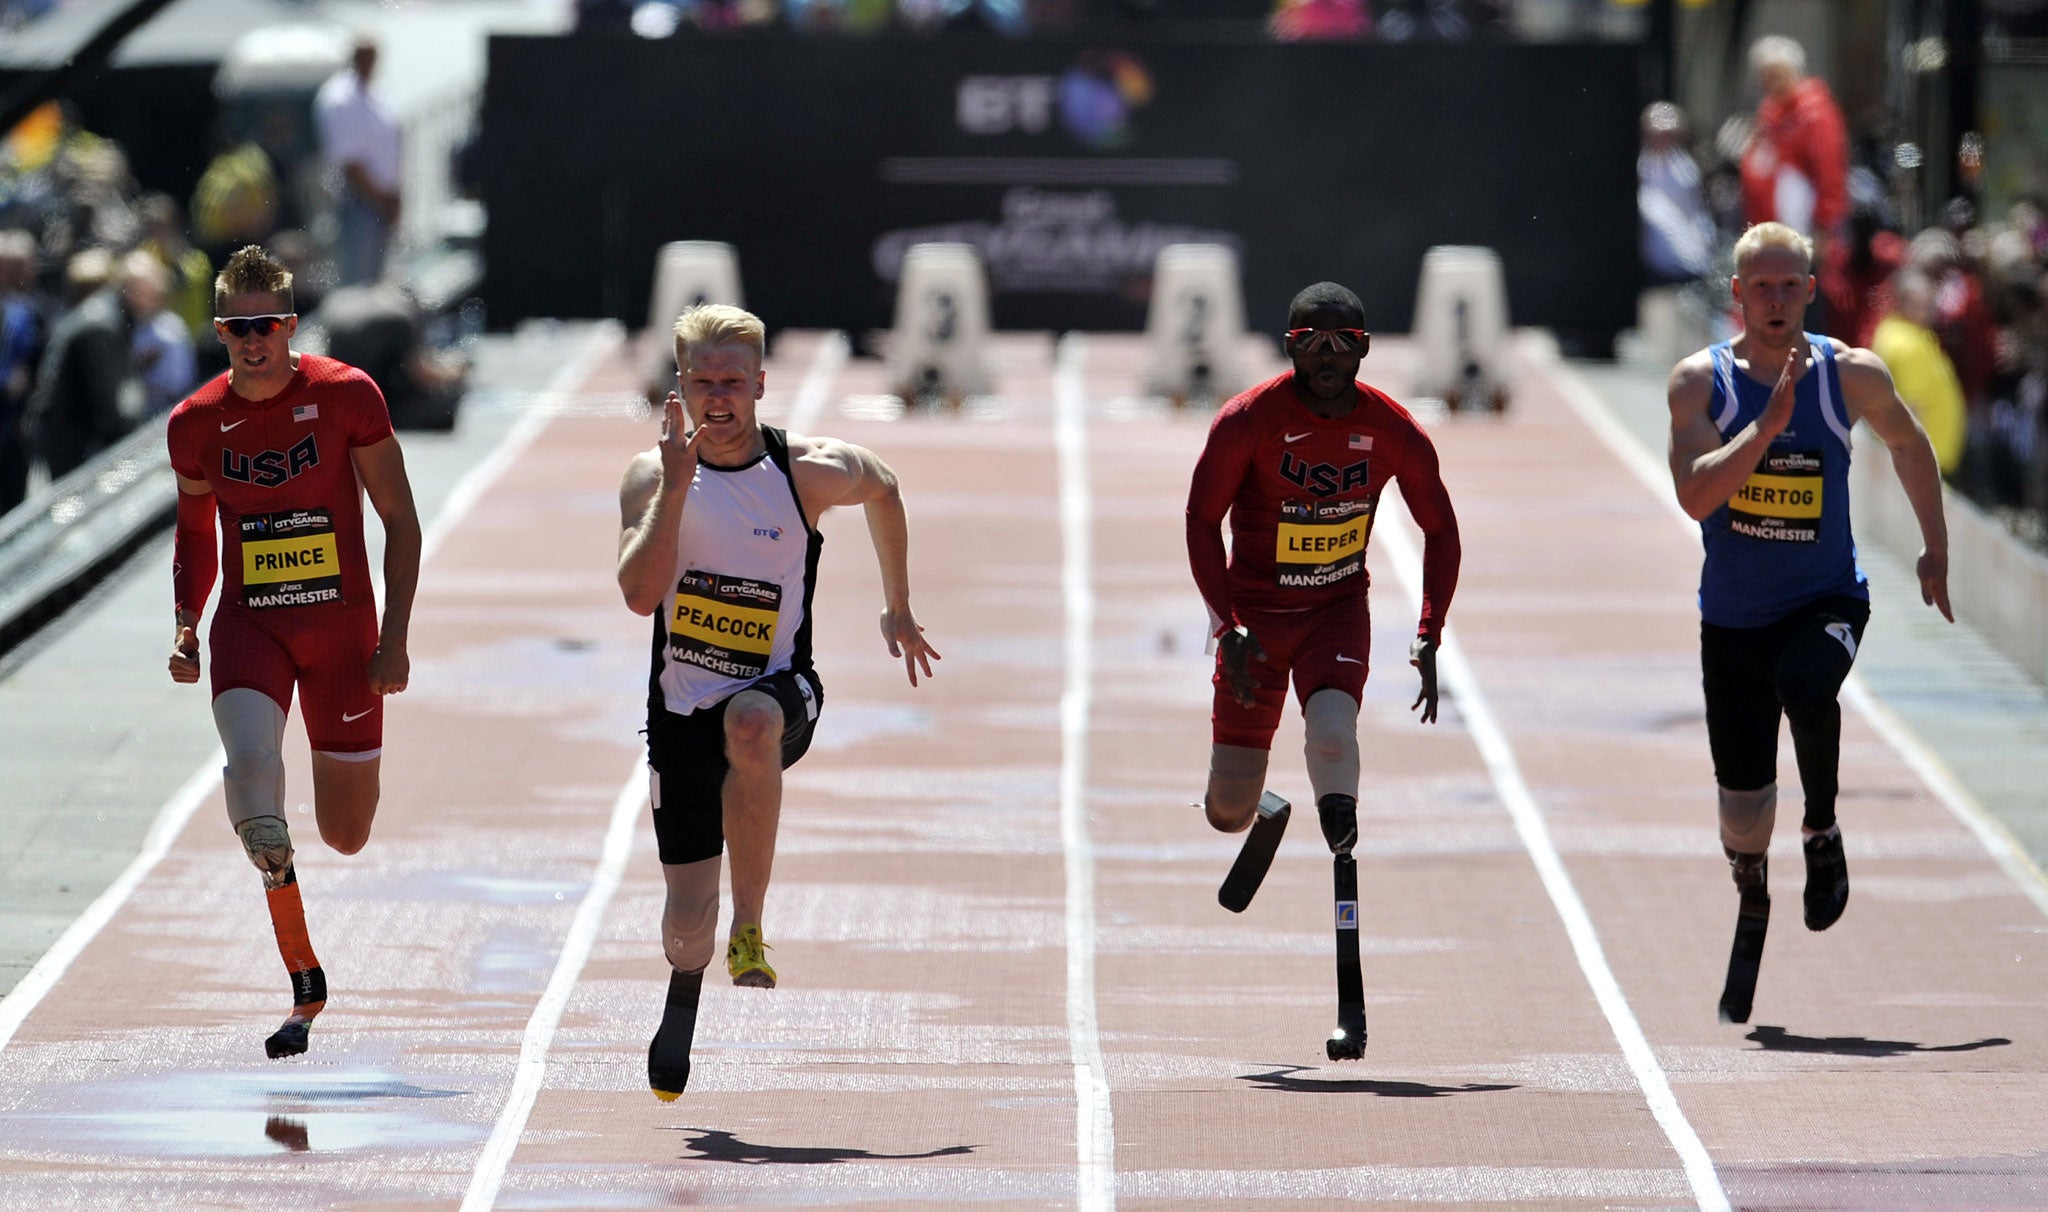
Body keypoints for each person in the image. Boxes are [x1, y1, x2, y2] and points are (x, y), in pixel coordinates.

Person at [615, 302, 939, 1100]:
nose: (717, 398)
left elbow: (885, 485)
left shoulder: (804, 471)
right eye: (702, 382)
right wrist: (680, 487)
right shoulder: (652, 479)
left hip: (781, 689)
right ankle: (688, 978)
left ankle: (750, 927)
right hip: (680, 713)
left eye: (733, 382)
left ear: (761, 384)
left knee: (752, 723)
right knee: (682, 923)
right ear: (679, 387)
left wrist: (897, 606)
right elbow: (637, 595)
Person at [1665, 221, 1951, 955]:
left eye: (1790, 285)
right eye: (1761, 286)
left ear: (1812, 292)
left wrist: (1935, 548)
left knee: (1806, 682)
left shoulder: (1851, 374)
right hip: (1732, 617)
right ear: (1736, 294)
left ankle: (1821, 830)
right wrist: (1764, 431)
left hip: (1825, 596)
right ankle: (1752, 869)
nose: (1776, 300)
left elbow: (1911, 442)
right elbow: (1696, 498)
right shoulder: (1700, 383)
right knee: (1741, 811)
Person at [165, 244, 422, 1059]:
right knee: (253, 788)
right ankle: (302, 972)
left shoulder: (348, 396)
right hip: (252, 628)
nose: (253, 340)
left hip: (344, 632)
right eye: (238, 328)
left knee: (348, 833)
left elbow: (402, 521)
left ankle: (297, 879)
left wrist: (394, 640)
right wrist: (184, 620)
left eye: (267, 325)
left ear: (290, 325)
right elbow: (195, 535)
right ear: (219, 331)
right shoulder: (195, 423)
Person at [1184, 282, 1461, 879]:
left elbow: (1440, 530)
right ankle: (1259, 805)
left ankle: (1340, 825)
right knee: (1227, 811)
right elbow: (1201, 521)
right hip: (1253, 625)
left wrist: (1430, 630)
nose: (1328, 354)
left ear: (1364, 349)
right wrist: (1225, 623)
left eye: (1344, 341)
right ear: (1290, 346)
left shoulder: (1395, 432)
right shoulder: (1246, 423)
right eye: (1312, 340)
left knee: (1333, 735)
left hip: (1334, 614)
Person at [24, 249, 162, 479]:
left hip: (70, 438)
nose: (159, 298)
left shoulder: (108, 314)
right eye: (154, 292)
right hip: (73, 447)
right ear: (135, 290)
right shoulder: (102, 325)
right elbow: (114, 409)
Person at [1739, 36, 1849, 269]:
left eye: (1775, 74)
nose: (1769, 83)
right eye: (1764, 76)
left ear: (1794, 72)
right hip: (1772, 232)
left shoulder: (1814, 113)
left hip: (1806, 230)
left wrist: (1824, 226)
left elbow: (1829, 172)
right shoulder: (1769, 111)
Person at [314, 35, 402, 287]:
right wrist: (382, 199)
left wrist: (391, 199)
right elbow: (350, 162)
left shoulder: (374, 94)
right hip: (357, 199)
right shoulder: (341, 97)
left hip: (380, 201)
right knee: (355, 282)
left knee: (374, 281)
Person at [1870, 267, 1968, 478]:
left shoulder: (1905, 333)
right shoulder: (1906, 343)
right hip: (1921, 464)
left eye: (1927, 302)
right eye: (1917, 303)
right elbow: (1912, 408)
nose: (1925, 309)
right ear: (1899, 301)